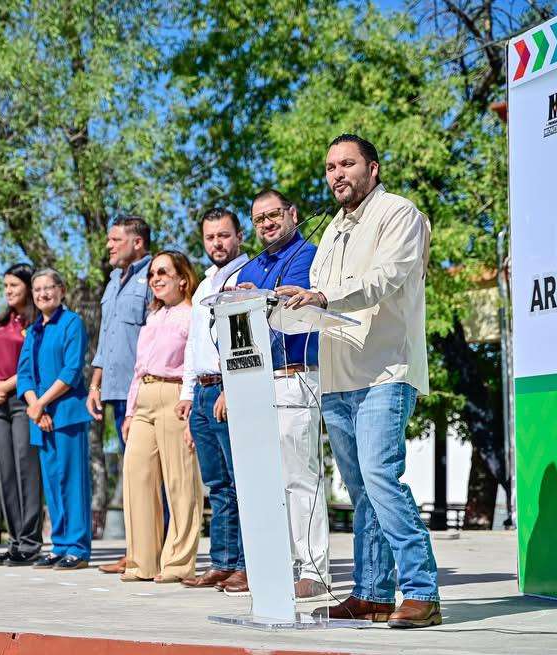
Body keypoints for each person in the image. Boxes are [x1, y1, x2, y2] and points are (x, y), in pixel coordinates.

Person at [278, 134, 439, 628]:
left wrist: (322, 297)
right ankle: (372, 593)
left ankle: (422, 591)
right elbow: (316, 293)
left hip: (384, 370)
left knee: (381, 479)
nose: (337, 175)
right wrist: (275, 300)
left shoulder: (399, 213)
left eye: (347, 164)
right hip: (336, 376)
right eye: (330, 168)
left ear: (373, 168)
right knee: (361, 491)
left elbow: (385, 278)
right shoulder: (331, 230)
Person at [236, 188, 331, 600]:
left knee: (299, 476)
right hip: (255, 381)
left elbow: (293, 306)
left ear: (292, 213)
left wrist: (256, 299)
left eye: (273, 215)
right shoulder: (251, 265)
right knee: (266, 480)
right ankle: (275, 565)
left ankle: (313, 569)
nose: (267, 224)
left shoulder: (308, 255)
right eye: (259, 219)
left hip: (296, 375)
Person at [178, 208, 251, 596]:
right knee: (217, 484)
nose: (217, 243)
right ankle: (222, 562)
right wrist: (187, 394)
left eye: (224, 235)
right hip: (204, 391)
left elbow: (243, 340)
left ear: (239, 236)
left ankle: (246, 565)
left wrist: (232, 387)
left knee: (241, 482)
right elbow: (194, 344)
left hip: (229, 388)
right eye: (210, 237)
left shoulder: (247, 275)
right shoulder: (204, 284)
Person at [120, 251, 203, 583]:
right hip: (144, 398)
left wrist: (190, 400)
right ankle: (141, 562)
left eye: (163, 272)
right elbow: (138, 369)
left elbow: (195, 362)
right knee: (136, 477)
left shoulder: (193, 315)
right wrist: (130, 411)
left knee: (180, 481)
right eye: (153, 273)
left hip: (175, 394)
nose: (155, 279)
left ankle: (178, 562)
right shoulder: (152, 318)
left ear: (182, 278)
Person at [86, 215, 153, 575]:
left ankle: (156, 552)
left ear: (137, 242)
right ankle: (136, 550)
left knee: (149, 474)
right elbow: (105, 337)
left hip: (142, 389)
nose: (109, 245)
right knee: (131, 473)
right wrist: (95, 384)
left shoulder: (154, 276)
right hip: (114, 389)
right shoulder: (114, 280)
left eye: (115, 240)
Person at [16, 268, 92, 571]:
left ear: (61, 290)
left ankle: (77, 547)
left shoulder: (72, 323)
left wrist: (41, 404)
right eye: (37, 290)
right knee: (52, 483)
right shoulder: (34, 330)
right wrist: (36, 407)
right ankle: (59, 545)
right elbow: (24, 374)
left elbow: (71, 371)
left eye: (49, 288)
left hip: (67, 415)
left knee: (72, 482)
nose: (43, 294)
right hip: (41, 418)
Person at [0, 263, 44, 567]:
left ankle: (30, 543)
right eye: (5, 285)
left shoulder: (35, 322)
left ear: (28, 287)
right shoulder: (0, 322)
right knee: (4, 472)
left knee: (26, 470)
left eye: (14, 285)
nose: (8, 291)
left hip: (21, 399)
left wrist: (5, 385)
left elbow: (32, 364)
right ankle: (15, 541)